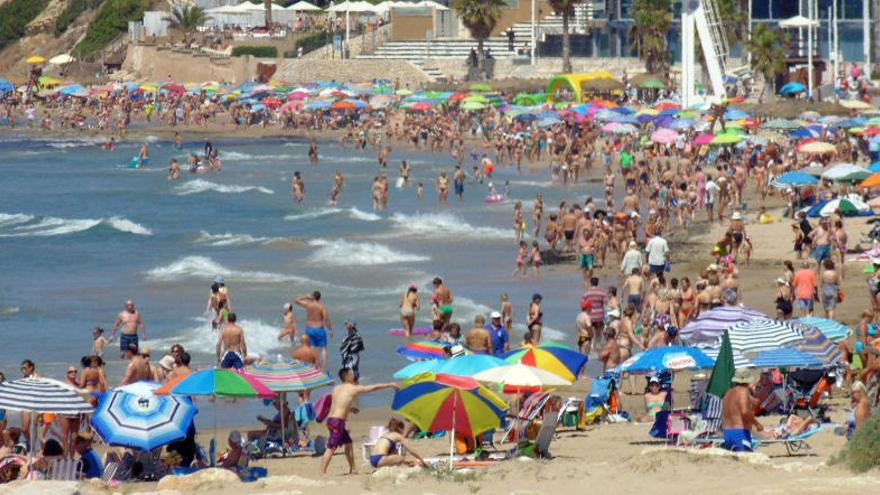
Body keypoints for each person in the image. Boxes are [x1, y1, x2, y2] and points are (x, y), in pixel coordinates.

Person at [319, 368, 397, 475]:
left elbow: (338, 404)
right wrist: (390, 385)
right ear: (347, 376)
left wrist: (350, 409)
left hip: (331, 420)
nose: (354, 375)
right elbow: (372, 388)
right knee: (331, 447)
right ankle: (322, 472)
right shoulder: (352, 388)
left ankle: (353, 468)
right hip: (338, 422)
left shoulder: (336, 388)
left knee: (348, 443)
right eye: (352, 374)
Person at [721, 368, 763, 452]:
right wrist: (757, 424)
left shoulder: (728, 393)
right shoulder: (744, 391)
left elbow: (754, 402)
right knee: (746, 461)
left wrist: (755, 397)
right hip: (740, 433)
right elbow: (745, 411)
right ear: (747, 381)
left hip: (727, 432)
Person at [295, 291, 333, 370]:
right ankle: (323, 368)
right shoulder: (322, 307)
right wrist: (330, 329)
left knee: (312, 348)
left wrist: (306, 296)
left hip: (310, 329)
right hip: (320, 329)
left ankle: (314, 367)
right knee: (323, 349)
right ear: (319, 298)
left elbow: (296, 300)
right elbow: (326, 319)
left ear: (312, 297)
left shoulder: (308, 305)